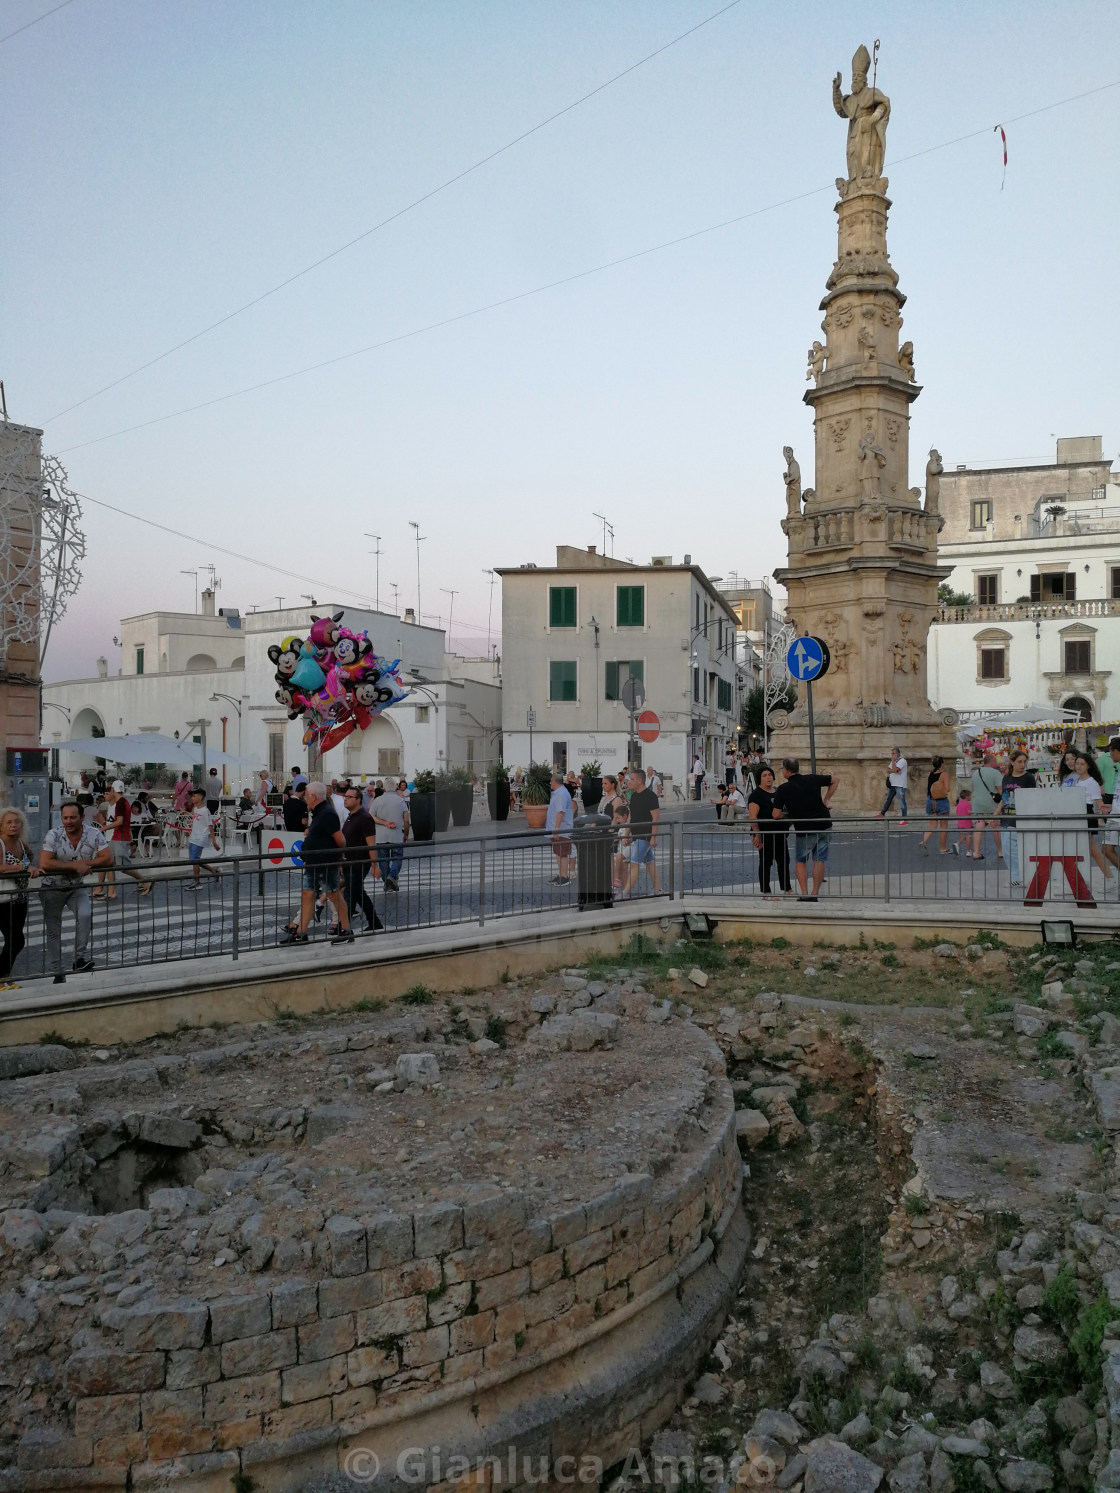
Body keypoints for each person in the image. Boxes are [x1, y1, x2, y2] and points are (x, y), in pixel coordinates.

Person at [39, 800, 112, 984]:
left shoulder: (93, 833)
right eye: (65, 817)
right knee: (54, 931)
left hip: (76, 887)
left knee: (86, 915)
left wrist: (86, 864)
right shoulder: (53, 834)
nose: (68, 821)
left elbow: (107, 858)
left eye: (72, 817)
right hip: (51, 888)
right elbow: (45, 862)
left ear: (82, 818)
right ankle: (57, 972)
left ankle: (79, 959)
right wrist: (74, 865)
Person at [279, 782, 353, 944]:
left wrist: (338, 856)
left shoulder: (327, 814)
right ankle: (301, 933)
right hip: (313, 863)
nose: (305, 799)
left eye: (307, 796)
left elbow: (340, 840)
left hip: (324, 863)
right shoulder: (319, 813)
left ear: (313, 796)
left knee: (334, 895)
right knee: (307, 895)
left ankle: (346, 930)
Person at [772, 757, 839, 901]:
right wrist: (826, 799)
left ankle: (804, 893)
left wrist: (789, 813)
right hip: (824, 823)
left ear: (786, 770)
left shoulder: (783, 789)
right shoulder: (812, 778)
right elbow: (835, 780)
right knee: (819, 860)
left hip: (805, 828)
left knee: (801, 860)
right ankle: (815, 894)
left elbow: (775, 814)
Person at [0, 807, 39, 987]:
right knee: (16, 939)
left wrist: (27, 865)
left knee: (14, 939)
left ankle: (5, 977)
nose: (13, 825)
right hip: (3, 898)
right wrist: (22, 868)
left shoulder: (21, 843)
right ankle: (2, 977)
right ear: (1, 826)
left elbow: (30, 855)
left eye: (16, 822)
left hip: (20, 897)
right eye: (9, 822)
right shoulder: (0, 843)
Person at [96, 781, 150, 898]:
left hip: (119, 837)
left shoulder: (120, 803)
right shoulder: (124, 802)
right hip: (118, 837)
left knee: (123, 866)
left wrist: (103, 828)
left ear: (113, 790)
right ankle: (111, 891)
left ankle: (145, 881)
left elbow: (119, 821)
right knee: (109, 863)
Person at [340, 785, 382, 932]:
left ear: (358, 800)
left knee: (350, 895)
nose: (345, 799)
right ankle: (375, 922)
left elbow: (371, 844)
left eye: (349, 797)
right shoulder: (351, 816)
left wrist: (375, 866)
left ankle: (344, 928)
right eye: (345, 796)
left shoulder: (364, 818)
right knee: (358, 894)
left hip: (358, 863)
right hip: (349, 862)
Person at [1067, 753, 1114, 881]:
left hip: (1086, 814)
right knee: (1087, 849)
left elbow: (1098, 802)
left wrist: (1105, 810)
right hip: (1077, 814)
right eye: (1077, 763)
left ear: (1088, 766)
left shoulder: (1091, 782)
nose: (1079, 766)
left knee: (1091, 849)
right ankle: (1107, 878)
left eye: (1082, 764)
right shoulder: (1076, 780)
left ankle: (1109, 878)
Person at [748, 765, 790, 897]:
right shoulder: (756, 795)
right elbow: (753, 817)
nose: (768, 777)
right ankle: (766, 891)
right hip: (765, 834)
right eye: (764, 775)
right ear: (759, 779)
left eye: (770, 775)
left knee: (784, 861)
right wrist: (757, 834)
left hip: (780, 834)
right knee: (766, 863)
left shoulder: (779, 792)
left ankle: (787, 888)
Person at [623, 768, 662, 897]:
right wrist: (626, 834)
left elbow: (655, 817)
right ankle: (658, 889)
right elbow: (630, 817)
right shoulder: (634, 796)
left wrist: (653, 837)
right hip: (636, 835)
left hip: (645, 835)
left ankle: (625, 892)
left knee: (634, 864)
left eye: (632, 779)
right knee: (649, 863)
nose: (629, 782)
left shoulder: (650, 796)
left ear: (639, 780)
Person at [1000, 751, 1037, 886]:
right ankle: (1016, 875)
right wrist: (995, 814)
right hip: (1007, 816)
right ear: (1012, 762)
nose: (1022, 765)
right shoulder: (1006, 778)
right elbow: (1003, 798)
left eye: (1024, 762)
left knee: (1015, 848)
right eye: (1019, 762)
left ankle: (1019, 876)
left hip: (1021, 817)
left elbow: (1033, 797)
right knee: (1007, 849)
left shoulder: (1028, 778)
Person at [372, 780, 410, 892]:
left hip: (381, 836)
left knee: (383, 860)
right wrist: (406, 834)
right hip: (396, 835)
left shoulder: (377, 800)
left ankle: (387, 883)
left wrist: (383, 823)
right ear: (396, 788)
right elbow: (406, 820)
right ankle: (391, 877)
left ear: (384, 788)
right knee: (397, 857)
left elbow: (371, 816)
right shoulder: (401, 801)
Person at [970, 752, 1004, 861]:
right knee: (996, 827)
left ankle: (976, 852)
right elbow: (1001, 791)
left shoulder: (975, 773)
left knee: (978, 827)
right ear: (993, 761)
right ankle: (1000, 851)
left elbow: (972, 790)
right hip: (992, 806)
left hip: (977, 805)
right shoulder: (996, 773)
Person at [185, 786, 221, 888]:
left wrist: (214, 842)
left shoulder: (205, 811)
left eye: (194, 796)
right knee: (194, 860)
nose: (192, 798)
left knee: (195, 860)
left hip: (200, 838)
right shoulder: (195, 809)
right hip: (193, 837)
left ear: (200, 798)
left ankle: (197, 882)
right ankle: (213, 871)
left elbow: (210, 826)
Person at [546, 771, 574, 886]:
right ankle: (561, 874)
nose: (550, 784)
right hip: (558, 828)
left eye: (551, 781)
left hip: (562, 829)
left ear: (553, 781)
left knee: (562, 853)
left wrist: (557, 828)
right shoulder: (559, 793)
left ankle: (564, 876)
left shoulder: (561, 794)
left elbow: (560, 812)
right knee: (558, 853)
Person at [920, 757, 951, 854]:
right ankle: (943, 849)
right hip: (941, 801)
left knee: (932, 825)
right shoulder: (944, 774)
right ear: (942, 764)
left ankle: (924, 841)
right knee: (943, 826)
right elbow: (948, 789)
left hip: (930, 800)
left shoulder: (931, 774)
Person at [878, 747, 908, 823]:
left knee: (902, 802)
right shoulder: (894, 761)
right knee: (888, 799)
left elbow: (895, 769)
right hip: (892, 784)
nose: (892, 755)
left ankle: (904, 819)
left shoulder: (902, 761)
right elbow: (888, 770)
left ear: (897, 754)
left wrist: (894, 769)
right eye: (891, 753)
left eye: (893, 753)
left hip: (899, 785)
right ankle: (882, 813)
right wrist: (894, 770)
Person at [952, 786, 973, 857]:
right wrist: (974, 812)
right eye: (970, 796)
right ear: (967, 797)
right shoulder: (968, 804)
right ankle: (968, 851)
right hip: (967, 823)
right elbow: (969, 812)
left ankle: (957, 844)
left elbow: (957, 812)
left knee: (964, 835)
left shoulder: (959, 804)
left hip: (960, 823)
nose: (971, 797)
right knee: (968, 837)